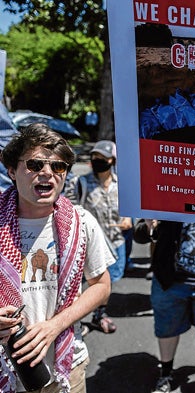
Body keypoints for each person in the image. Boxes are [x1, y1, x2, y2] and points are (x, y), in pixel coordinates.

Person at [0, 123, 113, 393]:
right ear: (12, 171)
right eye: (35, 164)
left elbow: (101, 285)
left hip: (66, 368)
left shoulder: (81, 223)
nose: (47, 173)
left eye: (58, 167)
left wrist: (54, 326)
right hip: (5, 369)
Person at [134, 219, 195, 393]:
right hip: (170, 281)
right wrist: (150, 227)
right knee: (167, 328)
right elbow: (139, 233)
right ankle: (166, 372)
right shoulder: (171, 196)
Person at [65, 140, 132, 334]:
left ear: (112, 160)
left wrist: (127, 219)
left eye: (102, 158)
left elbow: (128, 206)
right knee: (80, 282)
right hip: (89, 245)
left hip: (115, 241)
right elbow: (70, 210)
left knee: (107, 281)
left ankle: (98, 314)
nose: (97, 161)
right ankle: (74, 319)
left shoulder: (122, 183)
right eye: (95, 158)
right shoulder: (81, 183)